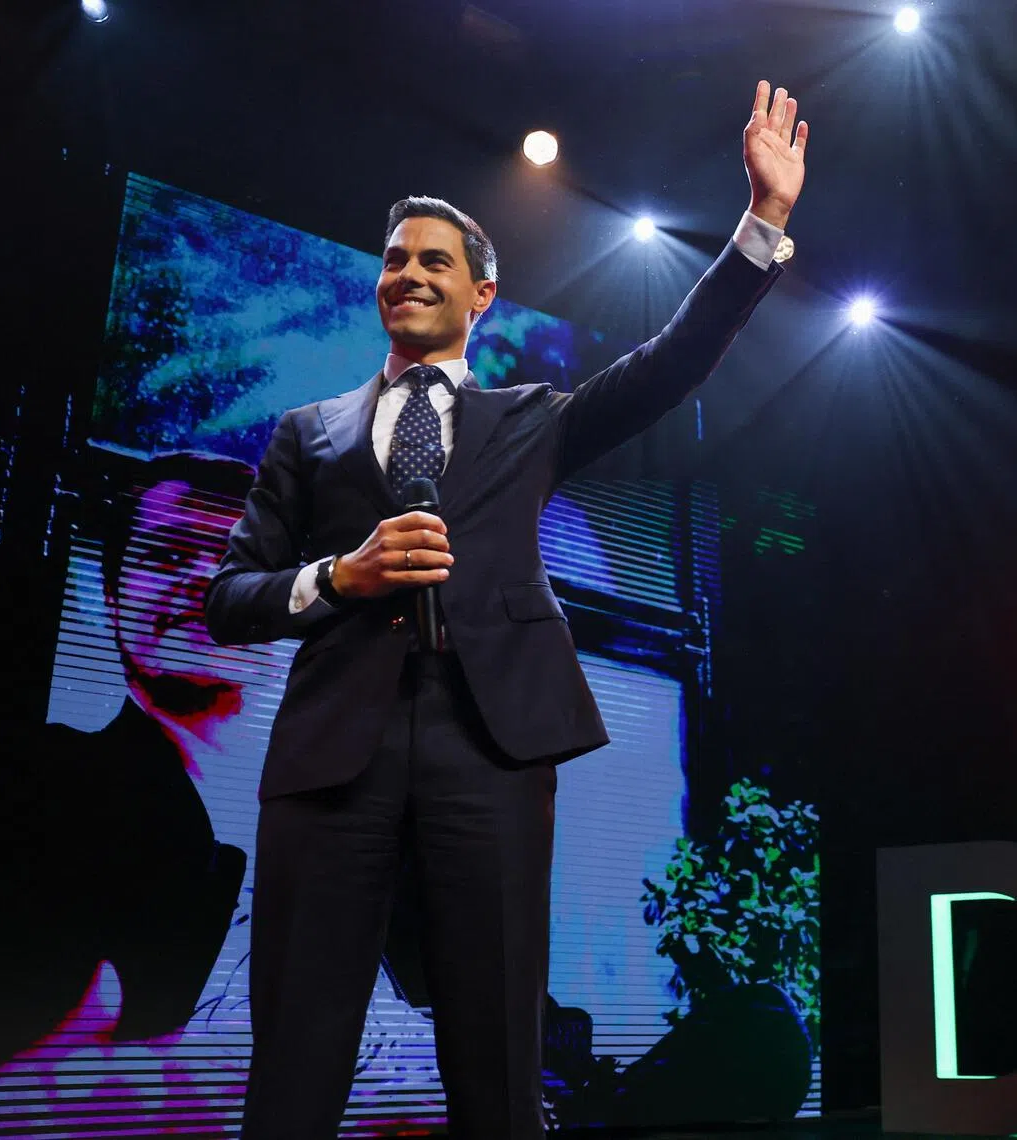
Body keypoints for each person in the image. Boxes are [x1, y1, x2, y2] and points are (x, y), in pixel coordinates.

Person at [205, 80, 808, 1140]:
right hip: (329, 759)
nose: (408, 275)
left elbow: (670, 364)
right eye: (394, 260)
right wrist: (338, 577)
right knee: (296, 1055)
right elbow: (228, 598)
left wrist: (762, 225)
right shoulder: (308, 433)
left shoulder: (533, 418)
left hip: (489, 748)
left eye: (434, 260)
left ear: (483, 294)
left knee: (496, 1057)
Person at [0, 451, 255, 1130]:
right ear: (108, 598)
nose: (200, 578)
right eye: (166, 556)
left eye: (235, 561)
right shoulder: (24, 791)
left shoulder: (376, 824)